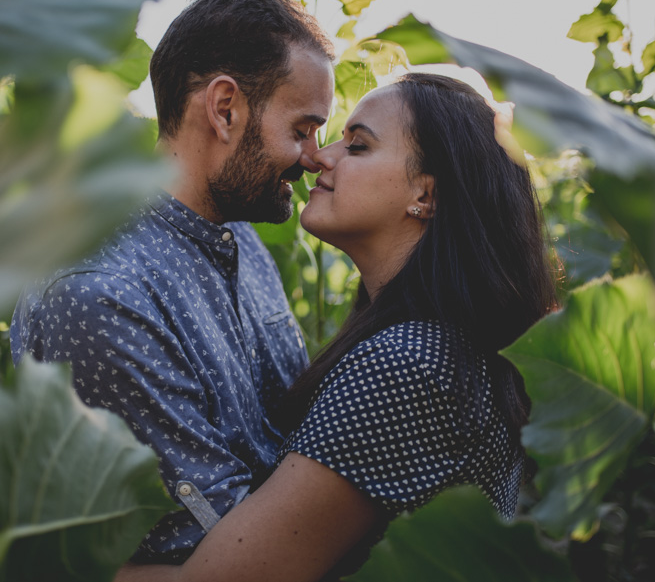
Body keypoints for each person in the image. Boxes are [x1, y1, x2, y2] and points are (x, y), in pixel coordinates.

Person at [116, 73, 559, 582]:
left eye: (358, 145)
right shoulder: (443, 344)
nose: (320, 157)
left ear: (427, 192)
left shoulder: (412, 364)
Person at [9, 0, 335, 564]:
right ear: (225, 108)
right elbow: (218, 552)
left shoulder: (243, 238)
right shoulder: (101, 294)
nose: (315, 156)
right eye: (303, 129)